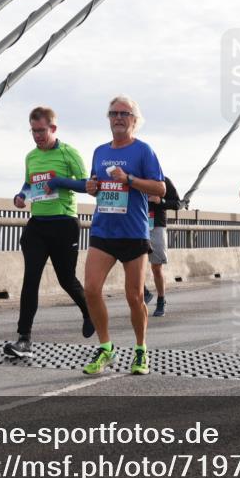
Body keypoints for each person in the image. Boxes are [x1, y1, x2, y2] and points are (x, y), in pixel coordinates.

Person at [74, 95, 165, 376]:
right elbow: (95, 183)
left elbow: (160, 189)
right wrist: (91, 186)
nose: (118, 118)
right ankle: (106, 348)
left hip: (133, 233)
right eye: (113, 113)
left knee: (134, 297)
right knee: (90, 289)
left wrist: (130, 180)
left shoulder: (143, 151)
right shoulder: (99, 151)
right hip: (103, 229)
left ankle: (140, 350)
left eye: (125, 114)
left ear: (134, 121)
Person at [4, 106, 96, 359]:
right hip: (37, 225)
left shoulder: (69, 153)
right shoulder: (31, 157)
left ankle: (90, 313)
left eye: (42, 131)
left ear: (53, 128)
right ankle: (24, 340)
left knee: (66, 279)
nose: (37, 136)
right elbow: (29, 183)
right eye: (33, 131)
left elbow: (87, 185)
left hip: (64, 224)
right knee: (30, 280)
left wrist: (58, 181)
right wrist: (21, 195)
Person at [144, 176, 181, 316]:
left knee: (156, 267)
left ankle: (161, 299)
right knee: (131, 263)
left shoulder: (163, 180)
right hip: (137, 224)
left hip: (156, 225)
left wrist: (160, 201)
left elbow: (177, 204)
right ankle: (144, 292)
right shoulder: (134, 177)